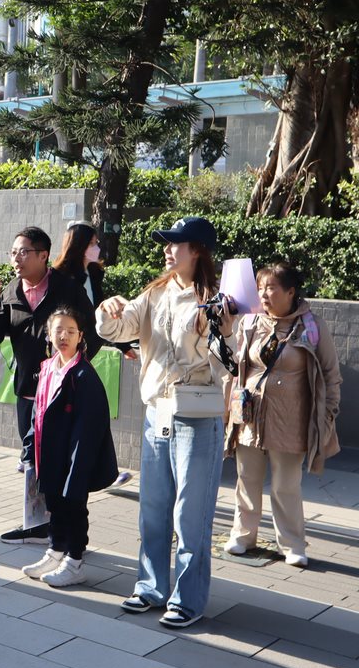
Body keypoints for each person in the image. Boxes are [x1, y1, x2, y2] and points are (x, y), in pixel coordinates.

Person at [96, 216, 235, 629]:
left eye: (177, 243)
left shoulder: (219, 298)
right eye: (167, 243)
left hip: (198, 417)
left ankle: (188, 599)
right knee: (153, 509)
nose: (167, 250)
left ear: (198, 251)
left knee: (191, 515)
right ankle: (151, 587)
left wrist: (224, 330)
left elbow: (230, 363)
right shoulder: (154, 292)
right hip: (157, 413)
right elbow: (118, 329)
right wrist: (107, 310)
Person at [0, 227, 102, 544]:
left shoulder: (66, 288)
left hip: (62, 392)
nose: (16, 259)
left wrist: (71, 367)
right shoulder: (10, 292)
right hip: (28, 392)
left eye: (23, 252)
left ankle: (70, 533)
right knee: (32, 460)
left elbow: (92, 330)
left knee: (64, 463)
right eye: (13, 253)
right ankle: (37, 523)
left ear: (43, 255)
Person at [224, 262, 342, 568]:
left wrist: (328, 414)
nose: (263, 294)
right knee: (246, 478)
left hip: (292, 419)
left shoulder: (312, 326)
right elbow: (237, 368)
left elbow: (331, 375)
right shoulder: (251, 321)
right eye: (260, 288)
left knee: (285, 485)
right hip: (250, 415)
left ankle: (292, 544)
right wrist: (229, 410)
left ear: (291, 292)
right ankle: (242, 535)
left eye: (271, 288)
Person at [20, 307, 118, 587]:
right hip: (50, 454)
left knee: (74, 507)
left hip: (73, 458)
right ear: (48, 335)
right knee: (54, 506)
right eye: (58, 330)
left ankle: (74, 561)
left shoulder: (83, 376)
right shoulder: (48, 368)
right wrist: (30, 448)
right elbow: (37, 412)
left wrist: (79, 468)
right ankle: (55, 552)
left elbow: (89, 429)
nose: (64, 336)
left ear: (80, 337)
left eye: (71, 331)